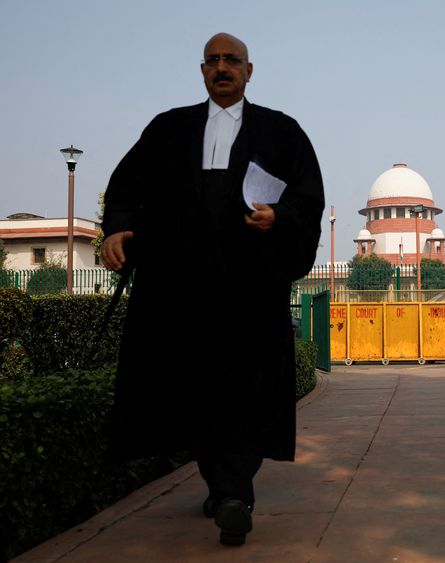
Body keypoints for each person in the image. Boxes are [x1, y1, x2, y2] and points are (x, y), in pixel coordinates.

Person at [101, 32, 324, 546]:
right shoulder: (169, 129)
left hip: (250, 292)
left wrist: (280, 217)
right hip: (184, 293)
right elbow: (127, 187)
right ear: (202, 71)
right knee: (196, 392)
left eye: (232, 61)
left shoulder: (281, 132)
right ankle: (227, 491)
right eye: (214, 60)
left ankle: (231, 491)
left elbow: (307, 199)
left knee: (247, 389)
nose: (223, 68)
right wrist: (116, 228)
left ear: (250, 71)